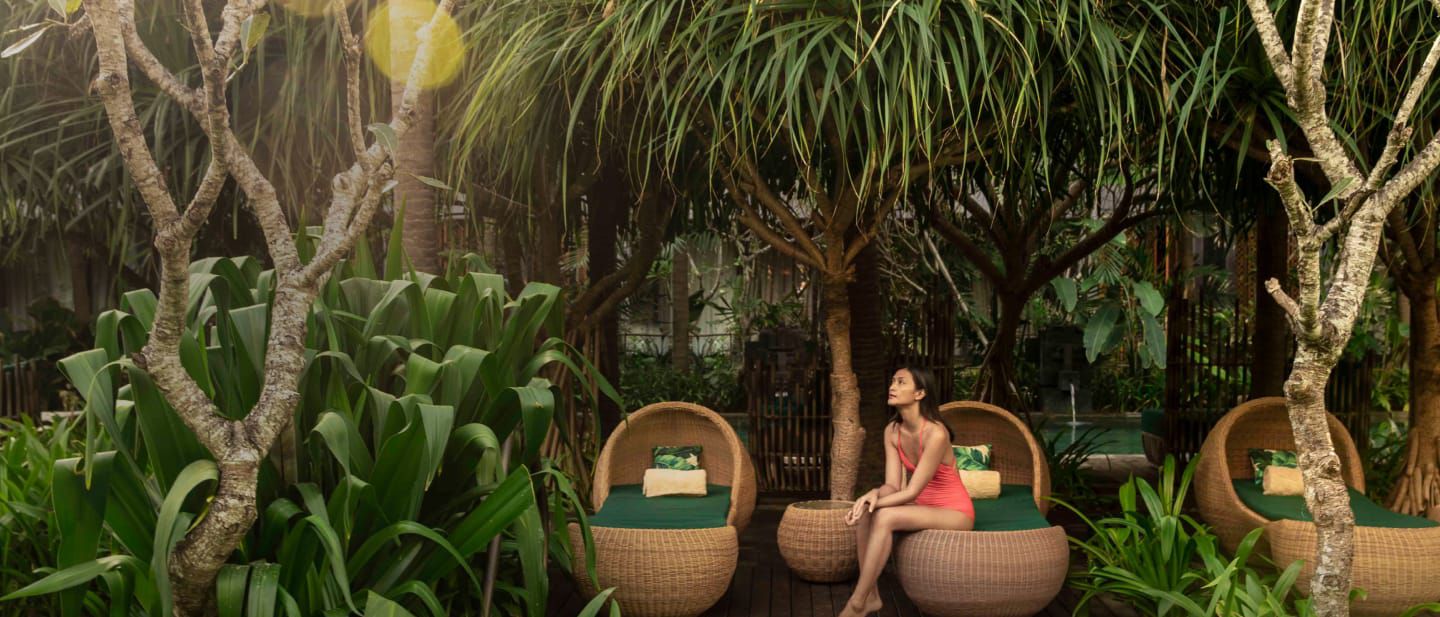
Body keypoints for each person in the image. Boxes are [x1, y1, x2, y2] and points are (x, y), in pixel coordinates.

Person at [838, 365, 975, 617]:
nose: (892, 387)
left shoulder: (936, 433)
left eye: (901, 382)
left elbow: (911, 492)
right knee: (868, 511)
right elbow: (893, 486)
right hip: (922, 507)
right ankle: (872, 597)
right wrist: (873, 494)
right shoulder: (892, 431)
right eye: (892, 381)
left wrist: (877, 501)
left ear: (920, 393)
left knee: (884, 515)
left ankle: (856, 603)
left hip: (954, 511)